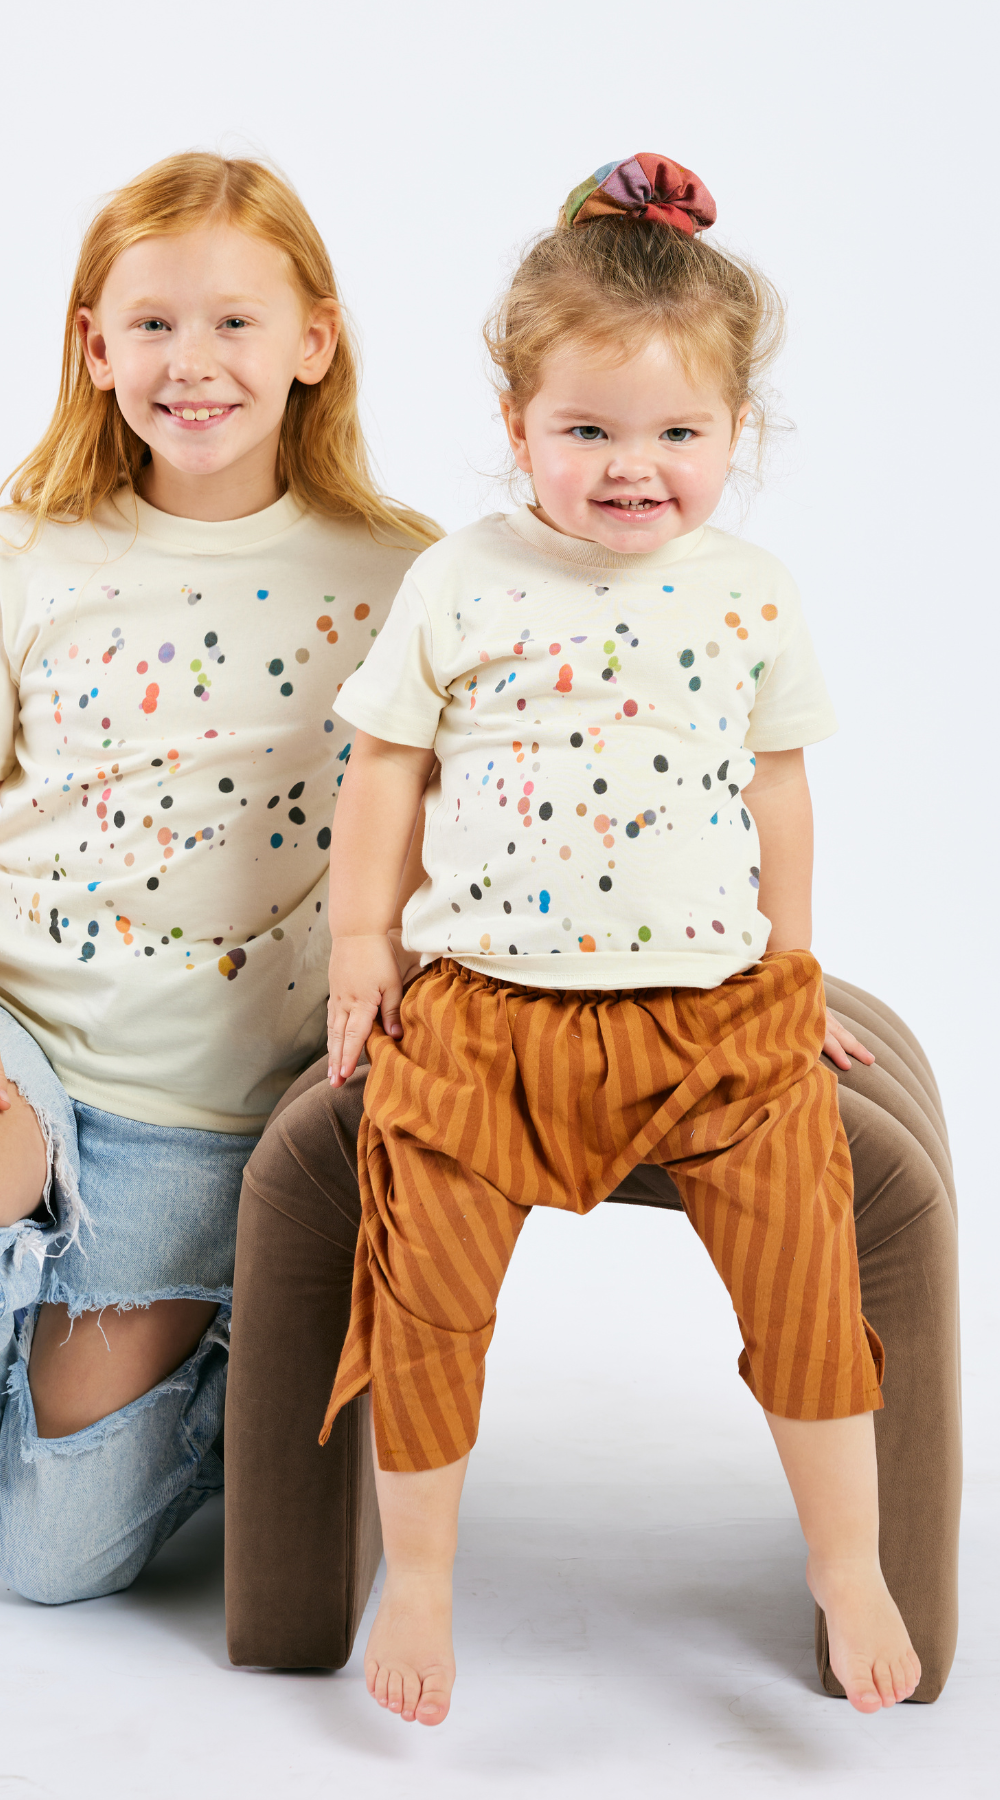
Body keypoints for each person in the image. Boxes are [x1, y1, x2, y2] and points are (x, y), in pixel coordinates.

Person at [321, 155, 921, 1725]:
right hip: (482, 1014)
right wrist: (361, 947)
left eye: (676, 434)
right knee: (427, 1275)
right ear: (517, 425)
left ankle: (846, 1555)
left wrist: (794, 965)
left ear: (737, 435)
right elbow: (386, 765)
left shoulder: (749, 594)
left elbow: (780, 789)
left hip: (712, 1016)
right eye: (585, 431)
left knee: (805, 1247)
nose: (630, 468)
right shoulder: (464, 579)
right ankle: (428, 1573)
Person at [0, 151, 434, 1603]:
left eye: (234, 323)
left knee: (44, 1565)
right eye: (149, 324)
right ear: (94, 347)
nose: (191, 362)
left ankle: (210, 1353)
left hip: (198, 1118)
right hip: (21, 1044)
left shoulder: (403, 578)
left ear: (313, 344)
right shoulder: (25, 554)